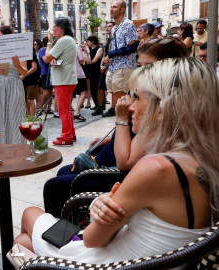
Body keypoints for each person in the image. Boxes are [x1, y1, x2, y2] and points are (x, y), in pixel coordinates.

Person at [17, 57, 216, 265]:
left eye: (137, 98)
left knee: (28, 219)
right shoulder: (201, 159)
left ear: (161, 109)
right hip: (147, 259)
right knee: (23, 245)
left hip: (111, 262)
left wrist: (97, 208)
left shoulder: (155, 168)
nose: (131, 106)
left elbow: (94, 239)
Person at [43, 37, 188, 217]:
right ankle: (76, 222)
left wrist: (121, 117)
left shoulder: (159, 105)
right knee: (64, 172)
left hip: (115, 174)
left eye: (148, 66)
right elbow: (138, 138)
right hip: (110, 162)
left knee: (54, 187)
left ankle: (66, 232)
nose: (140, 71)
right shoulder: (148, 94)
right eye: (139, 65)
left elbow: (126, 162)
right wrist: (111, 139)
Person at [0, 26, 27, 145]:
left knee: (16, 117)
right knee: (0, 118)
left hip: (14, 84)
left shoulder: (19, 50)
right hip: (0, 86)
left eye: (2, 37)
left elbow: (24, 72)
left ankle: (17, 148)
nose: (0, 40)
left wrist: (17, 65)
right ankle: (2, 147)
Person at [43, 17, 78, 146]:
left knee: (63, 110)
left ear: (62, 29)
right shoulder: (68, 40)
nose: (52, 30)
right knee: (66, 109)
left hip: (64, 80)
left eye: (55, 27)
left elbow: (47, 58)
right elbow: (53, 59)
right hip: (66, 79)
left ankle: (67, 136)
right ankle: (70, 133)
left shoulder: (63, 40)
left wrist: (49, 41)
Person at [102, 0, 137, 118]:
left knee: (120, 100)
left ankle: (123, 127)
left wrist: (111, 54)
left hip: (124, 65)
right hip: (114, 66)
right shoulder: (114, 28)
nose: (111, 9)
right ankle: (120, 127)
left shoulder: (128, 24)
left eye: (114, 7)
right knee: (115, 97)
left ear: (122, 10)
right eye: (111, 7)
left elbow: (132, 47)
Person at [93, 21, 115, 116]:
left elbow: (112, 55)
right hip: (105, 68)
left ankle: (113, 109)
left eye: (109, 26)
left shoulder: (116, 39)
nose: (107, 28)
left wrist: (105, 66)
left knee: (113, 89)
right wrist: (101, 65)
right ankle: (100, 107)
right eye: (106, 26)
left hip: (113, 68)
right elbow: (104, 55)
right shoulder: (107, 40)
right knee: (100, 88)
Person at [83, 35, 103, 111]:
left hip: (97, 71)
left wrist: (88, 57)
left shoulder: (99, 49)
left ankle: (101, 105)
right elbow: (88, 62)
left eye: (88, 41)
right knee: (92, 89)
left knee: (98, 88)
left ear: (92, 41)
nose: (87, 43)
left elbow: (94, 61)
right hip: (91, 71)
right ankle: (96, 104)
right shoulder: (91, 50)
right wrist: (86, 53)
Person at [23, 46, 40, 117]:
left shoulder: (31, 53)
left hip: (32, 80)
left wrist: (24, 75)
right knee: (25, 101)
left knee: (30, 100)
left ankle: (32, 118)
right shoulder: (20, 53)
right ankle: (29, 117)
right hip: (23, 81)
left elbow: (34, 67)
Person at [38, 36, 53, 115]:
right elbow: (46, 60)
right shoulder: (42, 50)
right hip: (44, 72)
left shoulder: (51, 50)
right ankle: (41, 108)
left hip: (51, 72)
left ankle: (49, 108)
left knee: (50, 91)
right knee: (45, 91)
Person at [72, 43, 87, 123]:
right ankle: (77, 111)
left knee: (70, 92)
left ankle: (67, 111)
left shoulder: (60, 45)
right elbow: (81, 61)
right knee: (83, 91)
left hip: (66, 74)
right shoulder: (76, 46)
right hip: (77, 72)